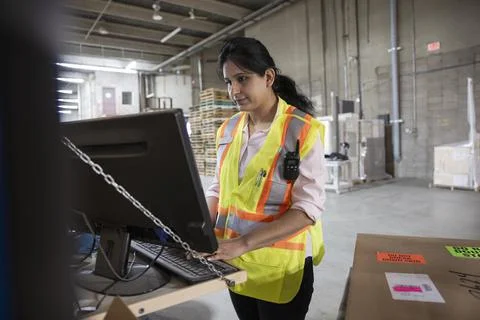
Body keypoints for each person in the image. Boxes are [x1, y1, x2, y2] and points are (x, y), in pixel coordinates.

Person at [205, 37, 326, 320]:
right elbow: (218, 188)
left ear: (268, 77)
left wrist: (244, 243)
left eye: (242, 79)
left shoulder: (302, 131)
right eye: (228, 82)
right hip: (235, 262)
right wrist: (199, 228)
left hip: (281, 268)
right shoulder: (228, 129)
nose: (233, 90)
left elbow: (308, 209)